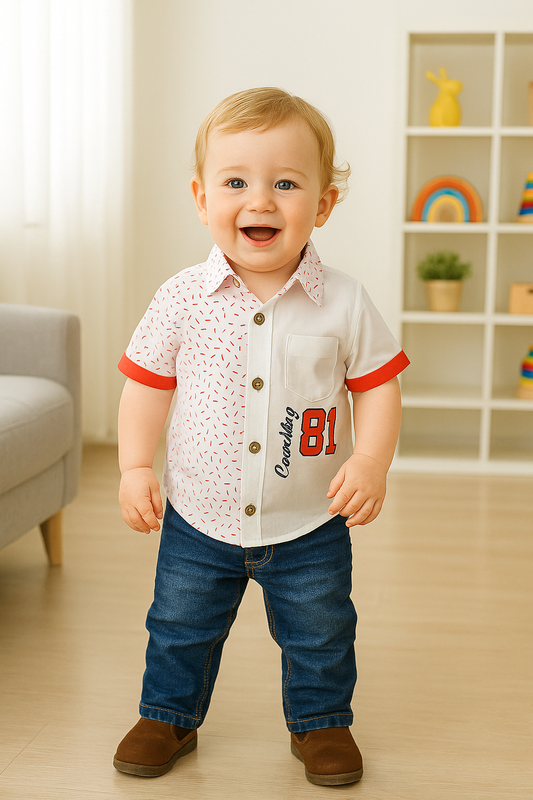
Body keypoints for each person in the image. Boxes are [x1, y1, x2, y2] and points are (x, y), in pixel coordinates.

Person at [113, 87, 409, 786]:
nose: (261, 201)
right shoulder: (181, 297)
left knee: (321, 632)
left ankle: (320, 724)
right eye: (236, 182)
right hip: (197, 519)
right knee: (179, 627)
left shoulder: (343, 301)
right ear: (200, 196)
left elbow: (375, 386)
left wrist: (370, 459)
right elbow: (147, 385)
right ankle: (167, 713)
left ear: (323, 204)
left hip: (308, 520)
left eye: (285, 183)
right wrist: (133, 466)